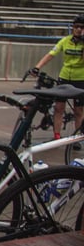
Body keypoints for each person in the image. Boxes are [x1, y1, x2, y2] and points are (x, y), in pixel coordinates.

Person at [31, 13, 84, 147]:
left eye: (82, 27)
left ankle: (77, 138)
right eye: (76, 27)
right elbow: (51, 54)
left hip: (81, 79)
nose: (79, 29)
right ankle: (57, 136)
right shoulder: (65, 41)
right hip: (65, 77)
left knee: (78, 111)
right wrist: (37, 67)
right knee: (59, 108)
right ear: (72, 28)